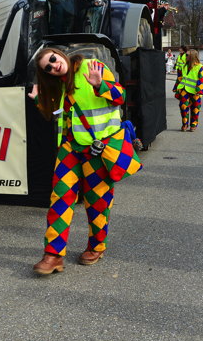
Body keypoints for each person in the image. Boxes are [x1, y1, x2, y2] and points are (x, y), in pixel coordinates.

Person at [28, 48, 142, 275]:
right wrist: (39, 100)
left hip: (97, 150)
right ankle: (53, 255)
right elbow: (55, 115)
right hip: (69, 149)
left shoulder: (91, 66)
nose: (53, 66)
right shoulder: (57, 85)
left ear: (60, 54)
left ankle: (97, 246)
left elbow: (120, 97)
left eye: (53, 59)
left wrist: (100, 84)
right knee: (59, 199)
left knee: (97, 202)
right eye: (47, 68)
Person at [174, 49, 203, 131]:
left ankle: (193, 124)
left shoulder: (200, 67)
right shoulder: (184, 66)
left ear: (192, 56)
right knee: (183, 106)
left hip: (195, 91)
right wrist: (176, 87)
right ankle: (185, 124)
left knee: (195, 108)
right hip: (184, 90)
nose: (185, 56)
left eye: (187, 55)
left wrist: (199, 90)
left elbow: (201, 79)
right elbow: (180, 77)